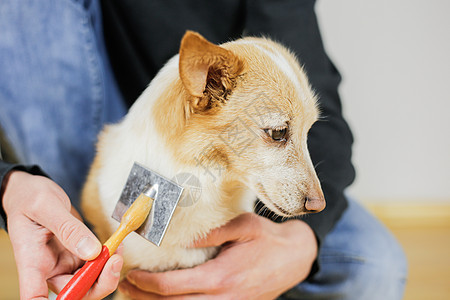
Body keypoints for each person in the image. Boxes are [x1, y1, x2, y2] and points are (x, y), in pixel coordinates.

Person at [0, 0, 407, 299]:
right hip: (104, 131)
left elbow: (316, 97)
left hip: (221, 148)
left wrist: (305, 240)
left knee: (377, 270)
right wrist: (8, 180)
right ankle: (82, 233)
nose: (312, 197)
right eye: (278, 134)